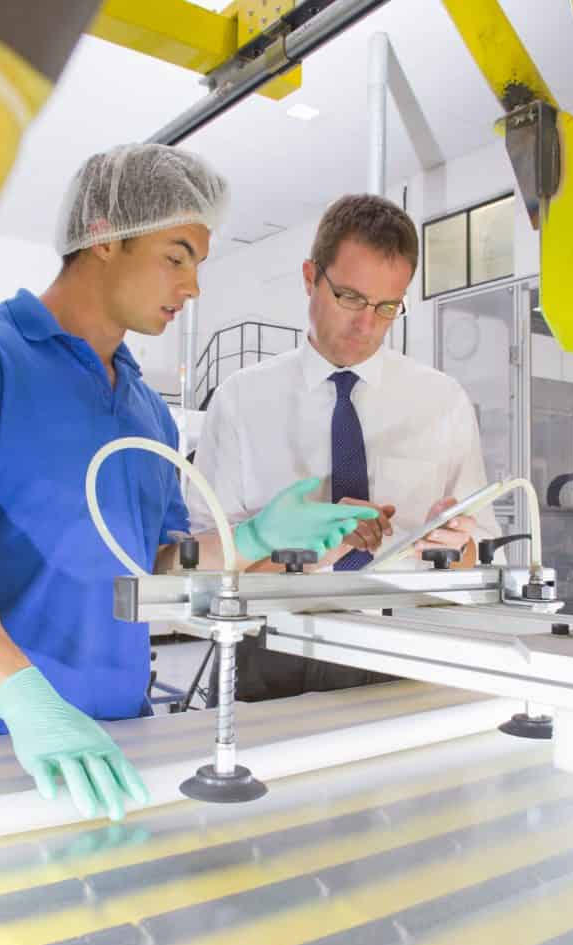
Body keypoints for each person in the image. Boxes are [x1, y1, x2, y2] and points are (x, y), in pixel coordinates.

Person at [0, 145, 377, 820]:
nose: (193, 286)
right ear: (105, 236)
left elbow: (157, 571)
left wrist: (254, 536)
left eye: (198, 263)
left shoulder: (145, 411)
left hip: (120, 737)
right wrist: (29, 702)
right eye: (176, 257)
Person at [190, 193, 501, 700]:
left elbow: (481, 556)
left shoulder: (442, 401)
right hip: (270, 639)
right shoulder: (241, 400)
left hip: (402, 640)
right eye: (350, 298)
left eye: (386, 307)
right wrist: (300, 544)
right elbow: (205, 563)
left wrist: (458, 546)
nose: (366, 324)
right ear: (311, 277)